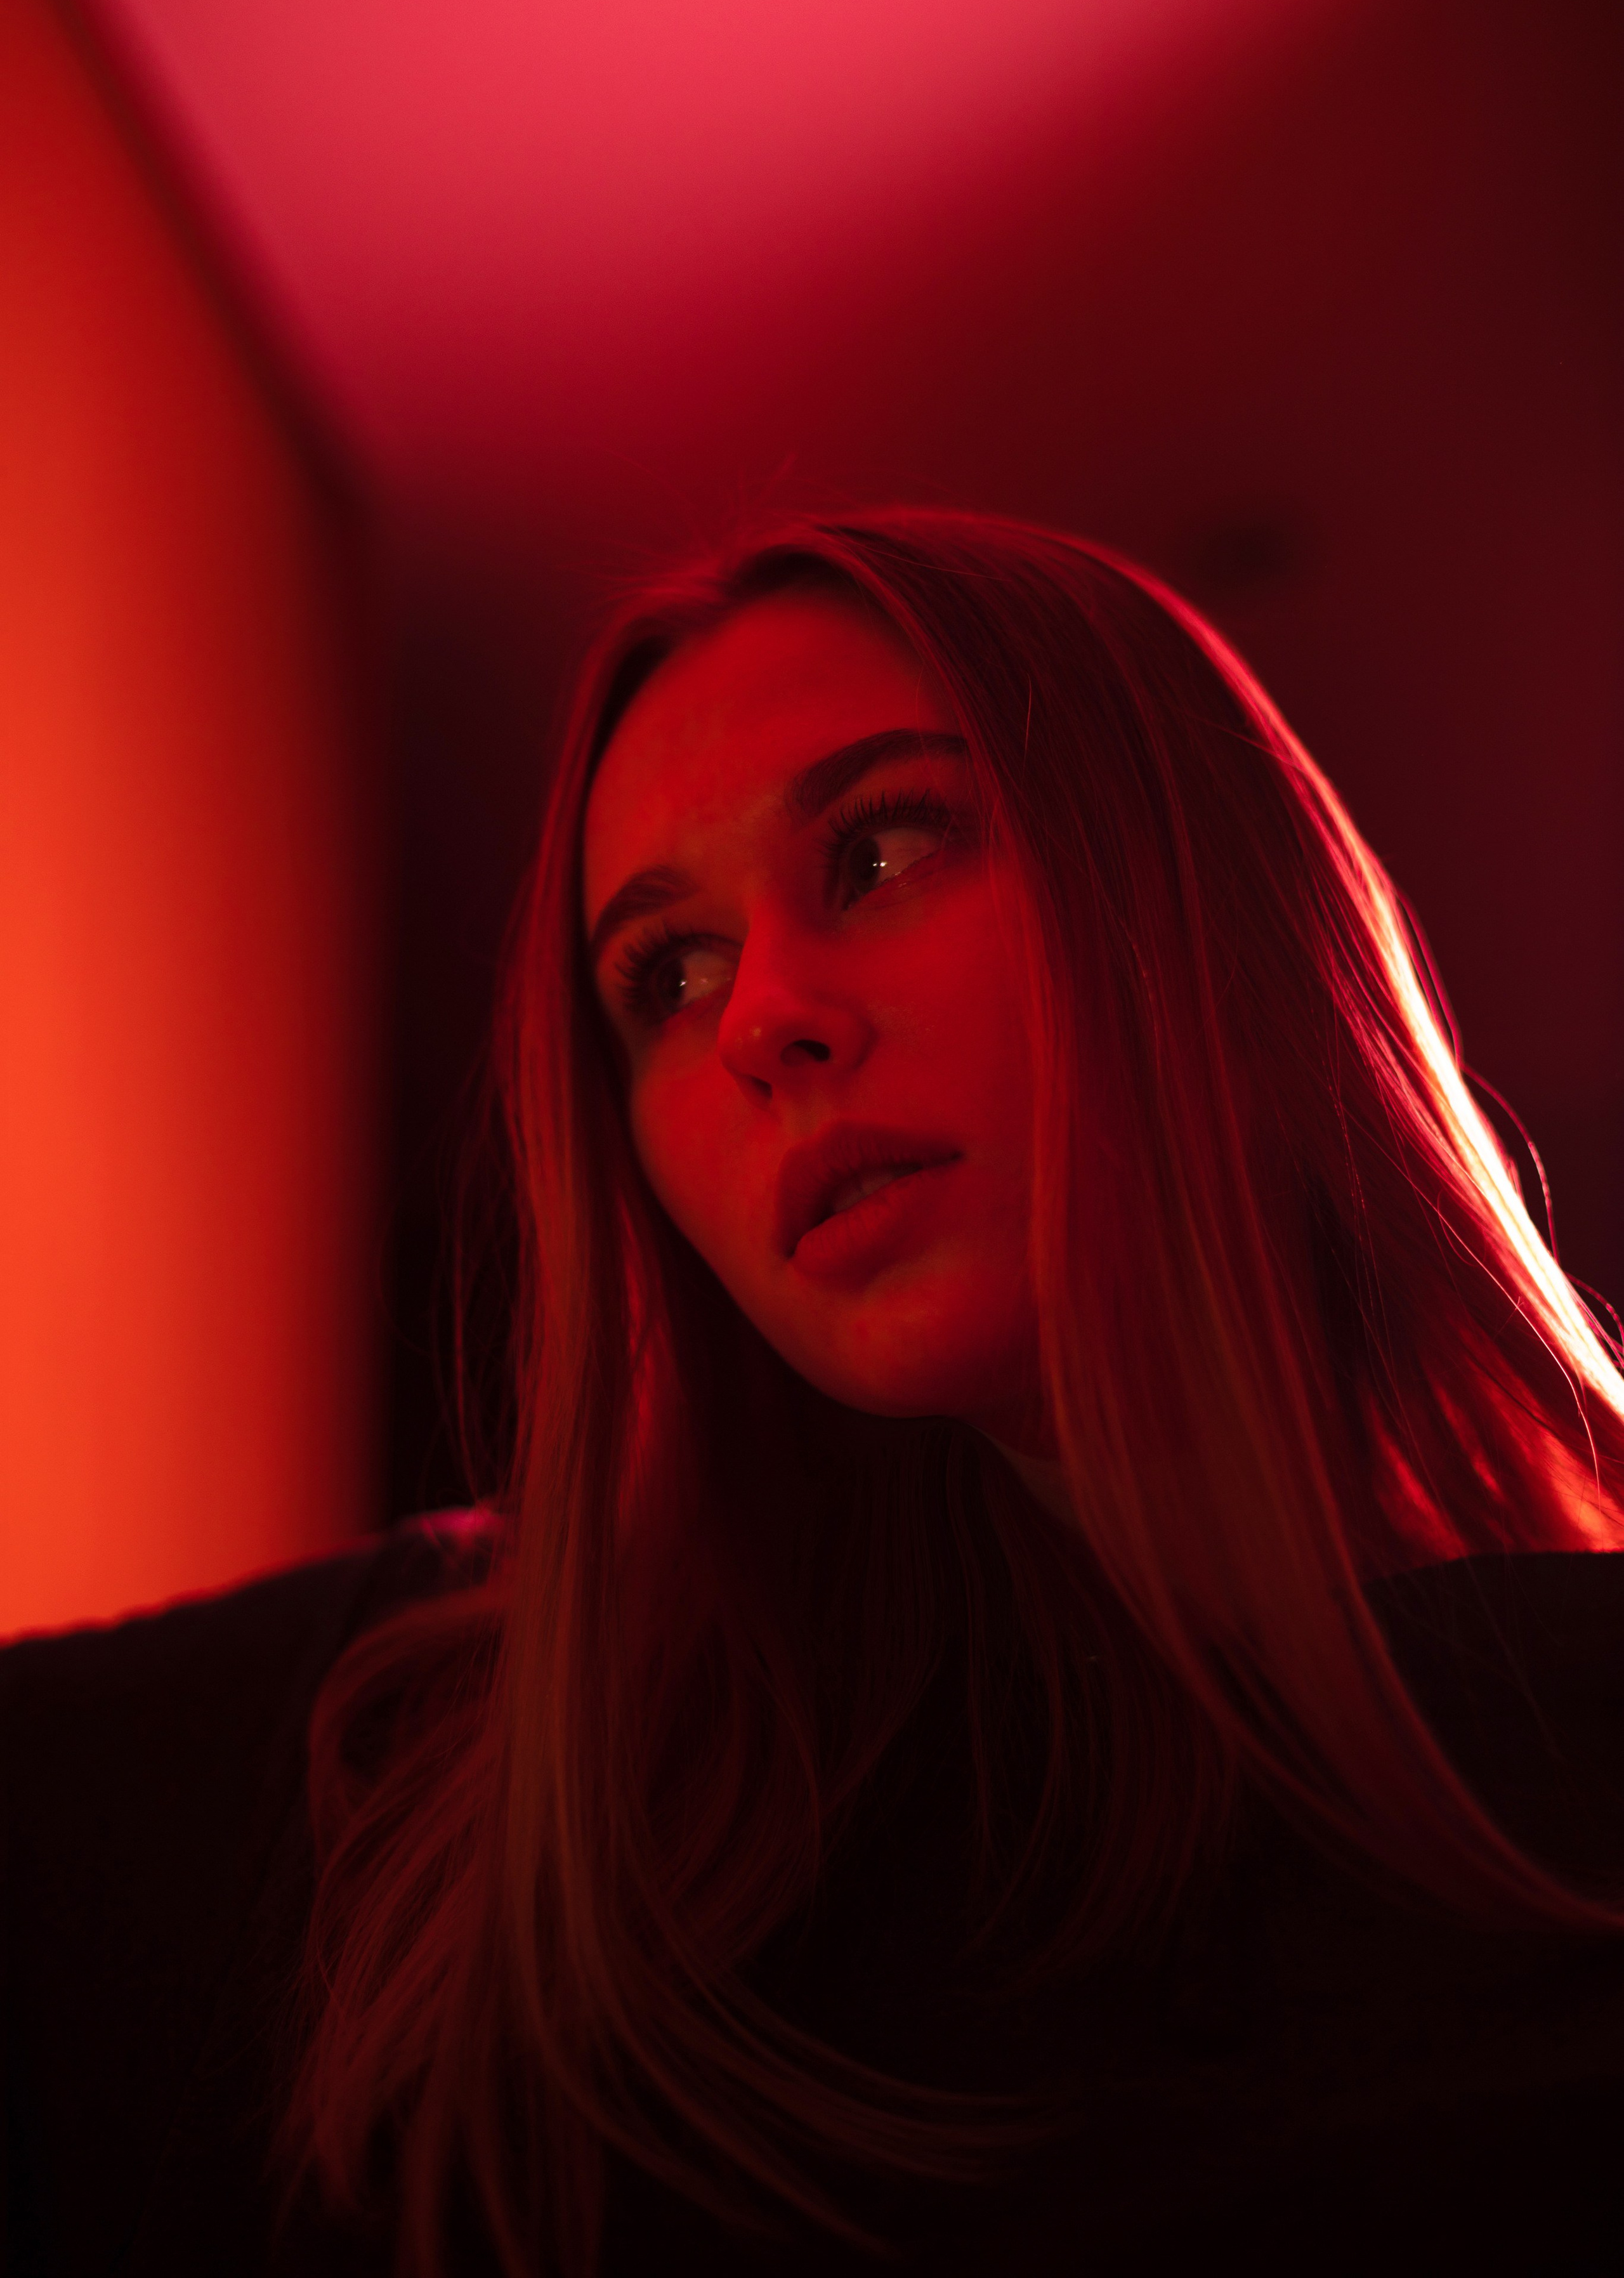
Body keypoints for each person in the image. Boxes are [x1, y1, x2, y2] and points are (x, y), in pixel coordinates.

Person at [6, 507, 1624, 2278]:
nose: (762, 1017)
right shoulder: (500, 1747)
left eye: (879, 850)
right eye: (665, 976)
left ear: (1207, 893)